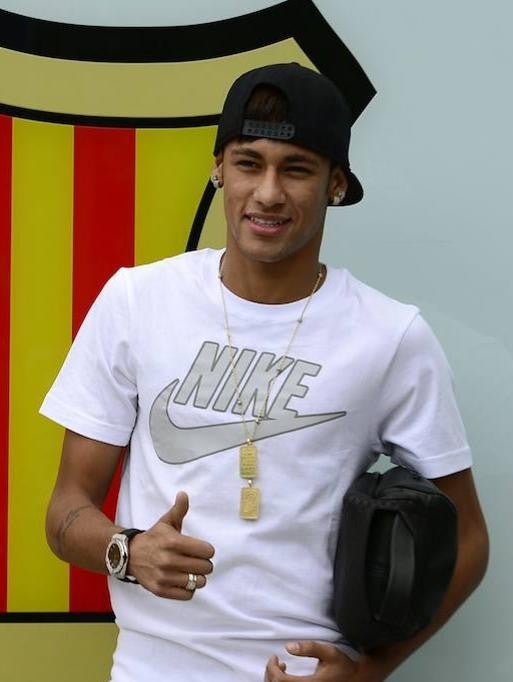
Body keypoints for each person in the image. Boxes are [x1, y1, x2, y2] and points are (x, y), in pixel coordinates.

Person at [40, 63, 489, 681]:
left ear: (335, 185)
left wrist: (370, 671)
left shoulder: (391, 337)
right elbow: (65, 512)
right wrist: (129, 550)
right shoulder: (138, 301)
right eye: (249, 163)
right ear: (219, 170)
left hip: (297, 669)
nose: (269, 193)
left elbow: (468, 539)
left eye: (296, 169)